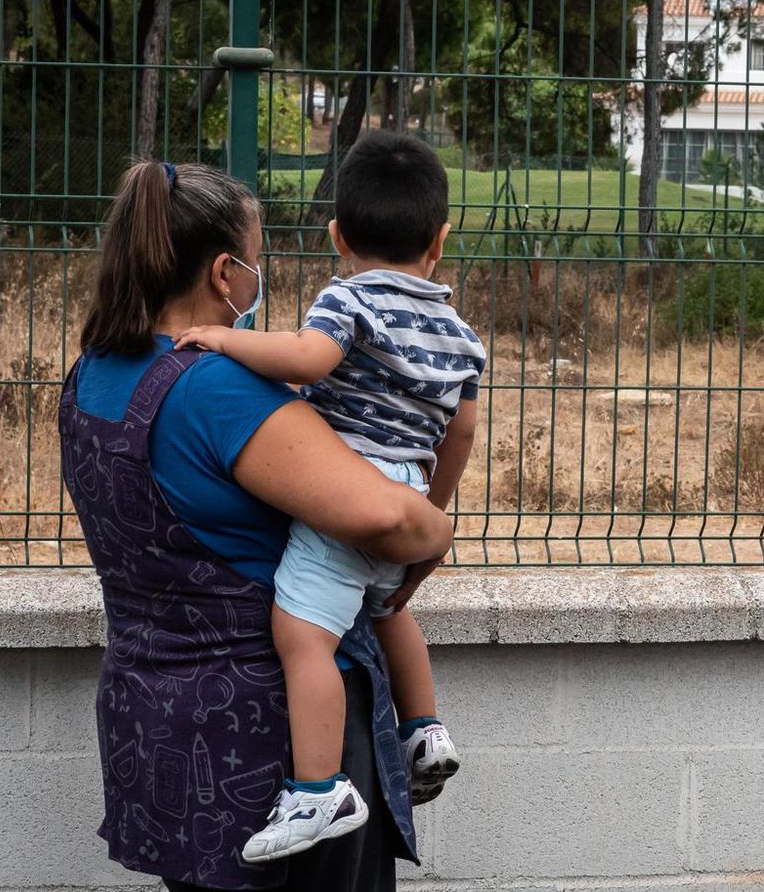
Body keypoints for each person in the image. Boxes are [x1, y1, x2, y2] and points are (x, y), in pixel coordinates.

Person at [60, 158, 451, 891]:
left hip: (157, 726)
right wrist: (438, 531)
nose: (258, 281)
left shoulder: (93, 372)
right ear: (222, 273)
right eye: (257, 264)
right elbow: (386, 521)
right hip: (273, 748)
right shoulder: (218, 391)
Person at [173, 130, 484, 862]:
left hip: (345, 487)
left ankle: (318, 790)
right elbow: (463, 431)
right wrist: (429, 506)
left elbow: (309, 358)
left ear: (337, 234)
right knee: (390, 609)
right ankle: (424, 728)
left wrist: (226, 343)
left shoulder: (348, 298)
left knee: (302, 636)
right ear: (440, 238)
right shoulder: (461, 334)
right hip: (408, 484)